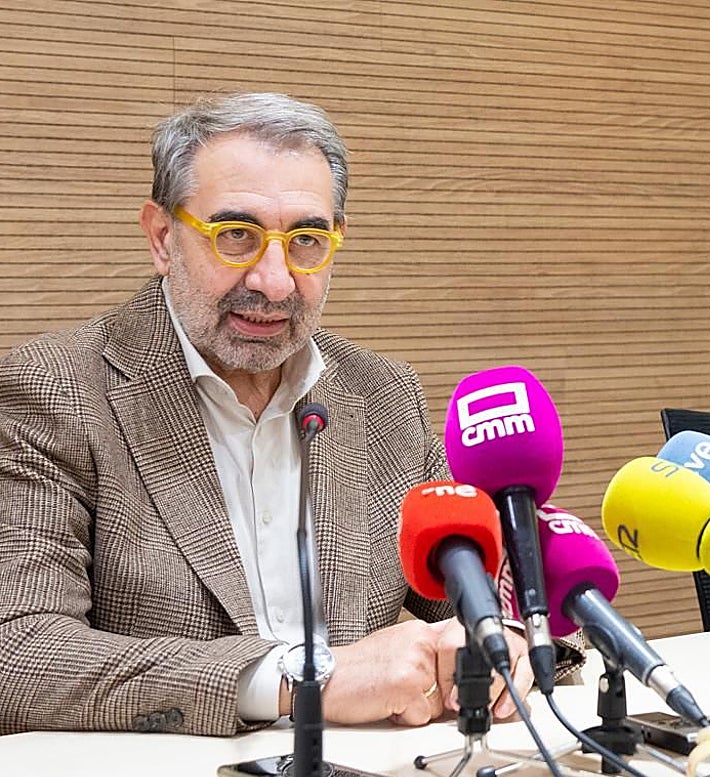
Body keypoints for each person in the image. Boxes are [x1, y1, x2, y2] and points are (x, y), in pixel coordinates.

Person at [0, 92, 579, 737]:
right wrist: (305, 680)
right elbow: (21, 656)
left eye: (306, 240)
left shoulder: (381, 393)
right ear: (163, 239)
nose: (274, 281)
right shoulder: (53, 389)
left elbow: (448, 595)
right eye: (236, 236)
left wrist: (496, 641)